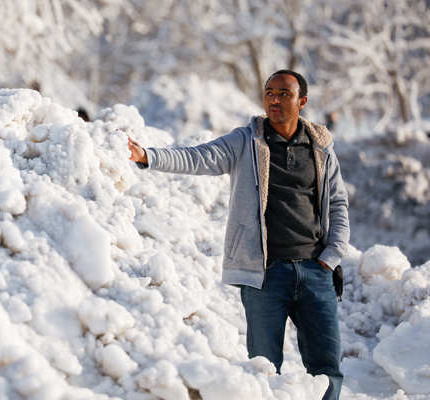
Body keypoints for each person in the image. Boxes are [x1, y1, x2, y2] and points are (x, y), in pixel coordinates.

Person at [128, 70, 349, 400]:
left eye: (284, 93)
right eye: (269, 92)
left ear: (302, 101)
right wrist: (148, 156)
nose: (274, 99)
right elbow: (199, 156)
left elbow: (338, 202)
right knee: (263, 369)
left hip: (315, 272)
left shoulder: (320, 148)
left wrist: (331, 259)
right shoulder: (246, 140)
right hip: (264, 275)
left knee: (327, 368)